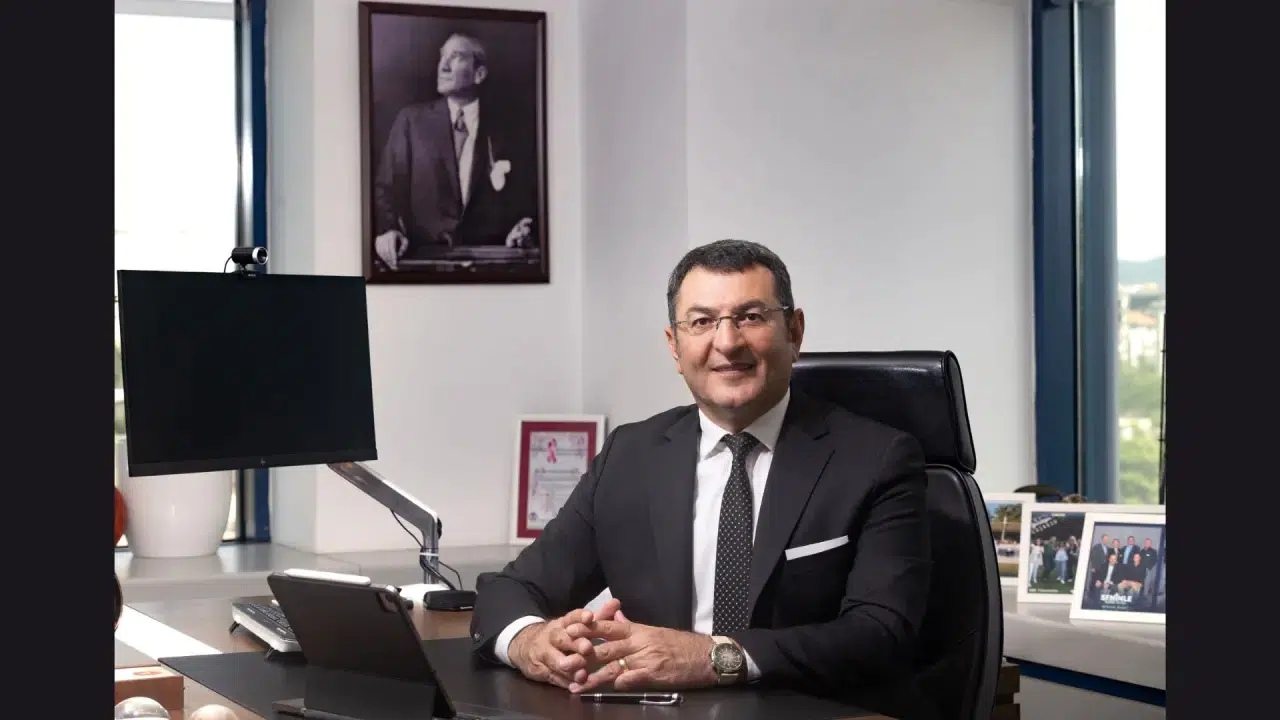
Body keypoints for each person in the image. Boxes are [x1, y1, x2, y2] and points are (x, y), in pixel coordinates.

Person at [470, 240, 934, 717]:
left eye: (750, 317)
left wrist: (713, 657)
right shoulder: (630, 455)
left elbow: (882, 632)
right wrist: (530, 640)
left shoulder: (876, 458)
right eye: (702, 321)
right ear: (674, 346)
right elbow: (509, 590)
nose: (727, 342)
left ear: (794, 331)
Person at [372, 32, 536, 270]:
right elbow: (386, 189)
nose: (443, 66)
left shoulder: (508, 128)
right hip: (423, 264)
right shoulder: (411, 122)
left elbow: (526, 199)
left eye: (456, 57)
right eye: (442, 57)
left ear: (479, 74)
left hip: (490, 268)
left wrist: (522, 228)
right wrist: (388, 230)